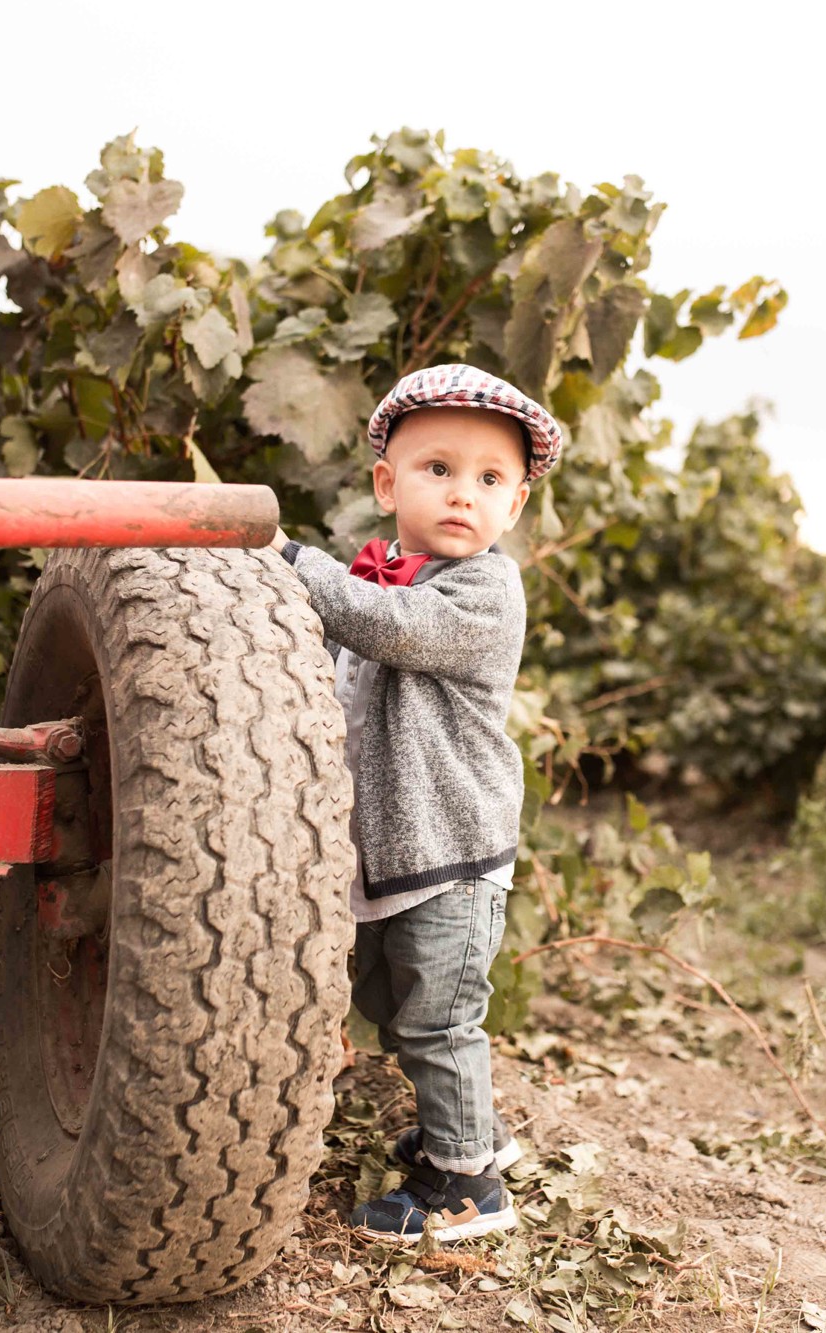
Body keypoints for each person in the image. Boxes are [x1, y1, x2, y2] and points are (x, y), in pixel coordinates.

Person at [270, 363, 563, 1243]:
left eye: (489, 479)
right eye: (439, 470)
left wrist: (290, 563)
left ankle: (470, 1186)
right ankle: (459, 1132)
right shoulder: (391, 577)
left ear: (513, 507)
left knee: (439, 1019)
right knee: (398, 1010)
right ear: (387, 485)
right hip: (396, 854)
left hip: (455, 856)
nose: (463, 494)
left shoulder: (482, 591)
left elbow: (387, 627)